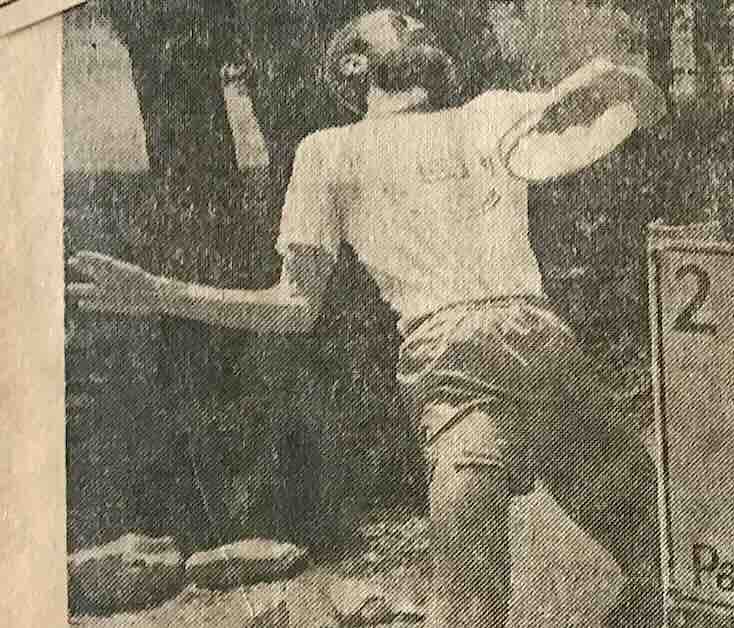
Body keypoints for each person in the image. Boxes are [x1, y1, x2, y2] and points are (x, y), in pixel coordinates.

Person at [69, 9, 667, 628]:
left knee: (667, 555)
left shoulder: (488, 113)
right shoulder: (329, 152)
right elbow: (296, 306)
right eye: (397, 19)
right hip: (455, 363)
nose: (417, 22)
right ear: (353, 62)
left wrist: (615, 80)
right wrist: (161, 292)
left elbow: (634, 110)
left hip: (546, 348)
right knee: (470, 608)